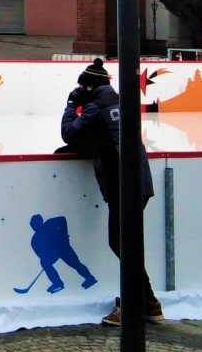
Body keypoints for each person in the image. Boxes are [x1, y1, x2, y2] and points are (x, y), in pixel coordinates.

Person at [60, 58, 161, 324]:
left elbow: (69, 133)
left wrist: (71, 105)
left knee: (122, 244)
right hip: (139, 181)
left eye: (81, 87)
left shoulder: (95, 108)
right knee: (125, 243)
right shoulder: (119, 101)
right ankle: (148, 302)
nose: (79, 90)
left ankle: (136, 304)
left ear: (89, 86)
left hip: (122, 183)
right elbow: (102, 136)